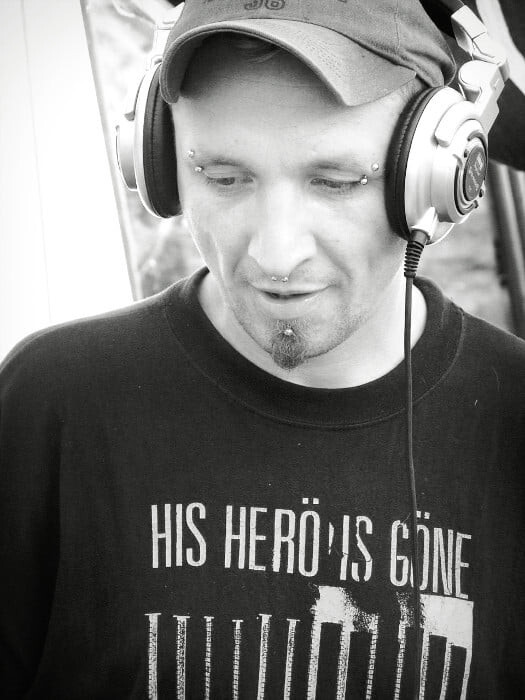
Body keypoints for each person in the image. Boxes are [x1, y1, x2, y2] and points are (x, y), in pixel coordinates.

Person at [1, 1, 524, 698]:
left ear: (441, 174)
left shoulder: (513, 421)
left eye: (336, 181)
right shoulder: (51, 404)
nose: (276, 253)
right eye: (223, 178)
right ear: (157, 165)